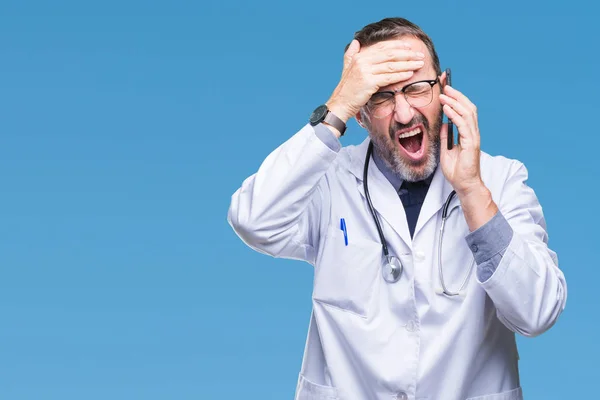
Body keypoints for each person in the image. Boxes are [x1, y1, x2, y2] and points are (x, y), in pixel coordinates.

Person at [227, 17, 567, 400]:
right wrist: (337, 103)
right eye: (381, 96)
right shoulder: (327, 180)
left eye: (416, 88)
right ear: (360, 113)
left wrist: (472, 191)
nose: (404, 113)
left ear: (445, 89)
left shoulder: (500, 180)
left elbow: (538, 313)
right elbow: (253, 220)